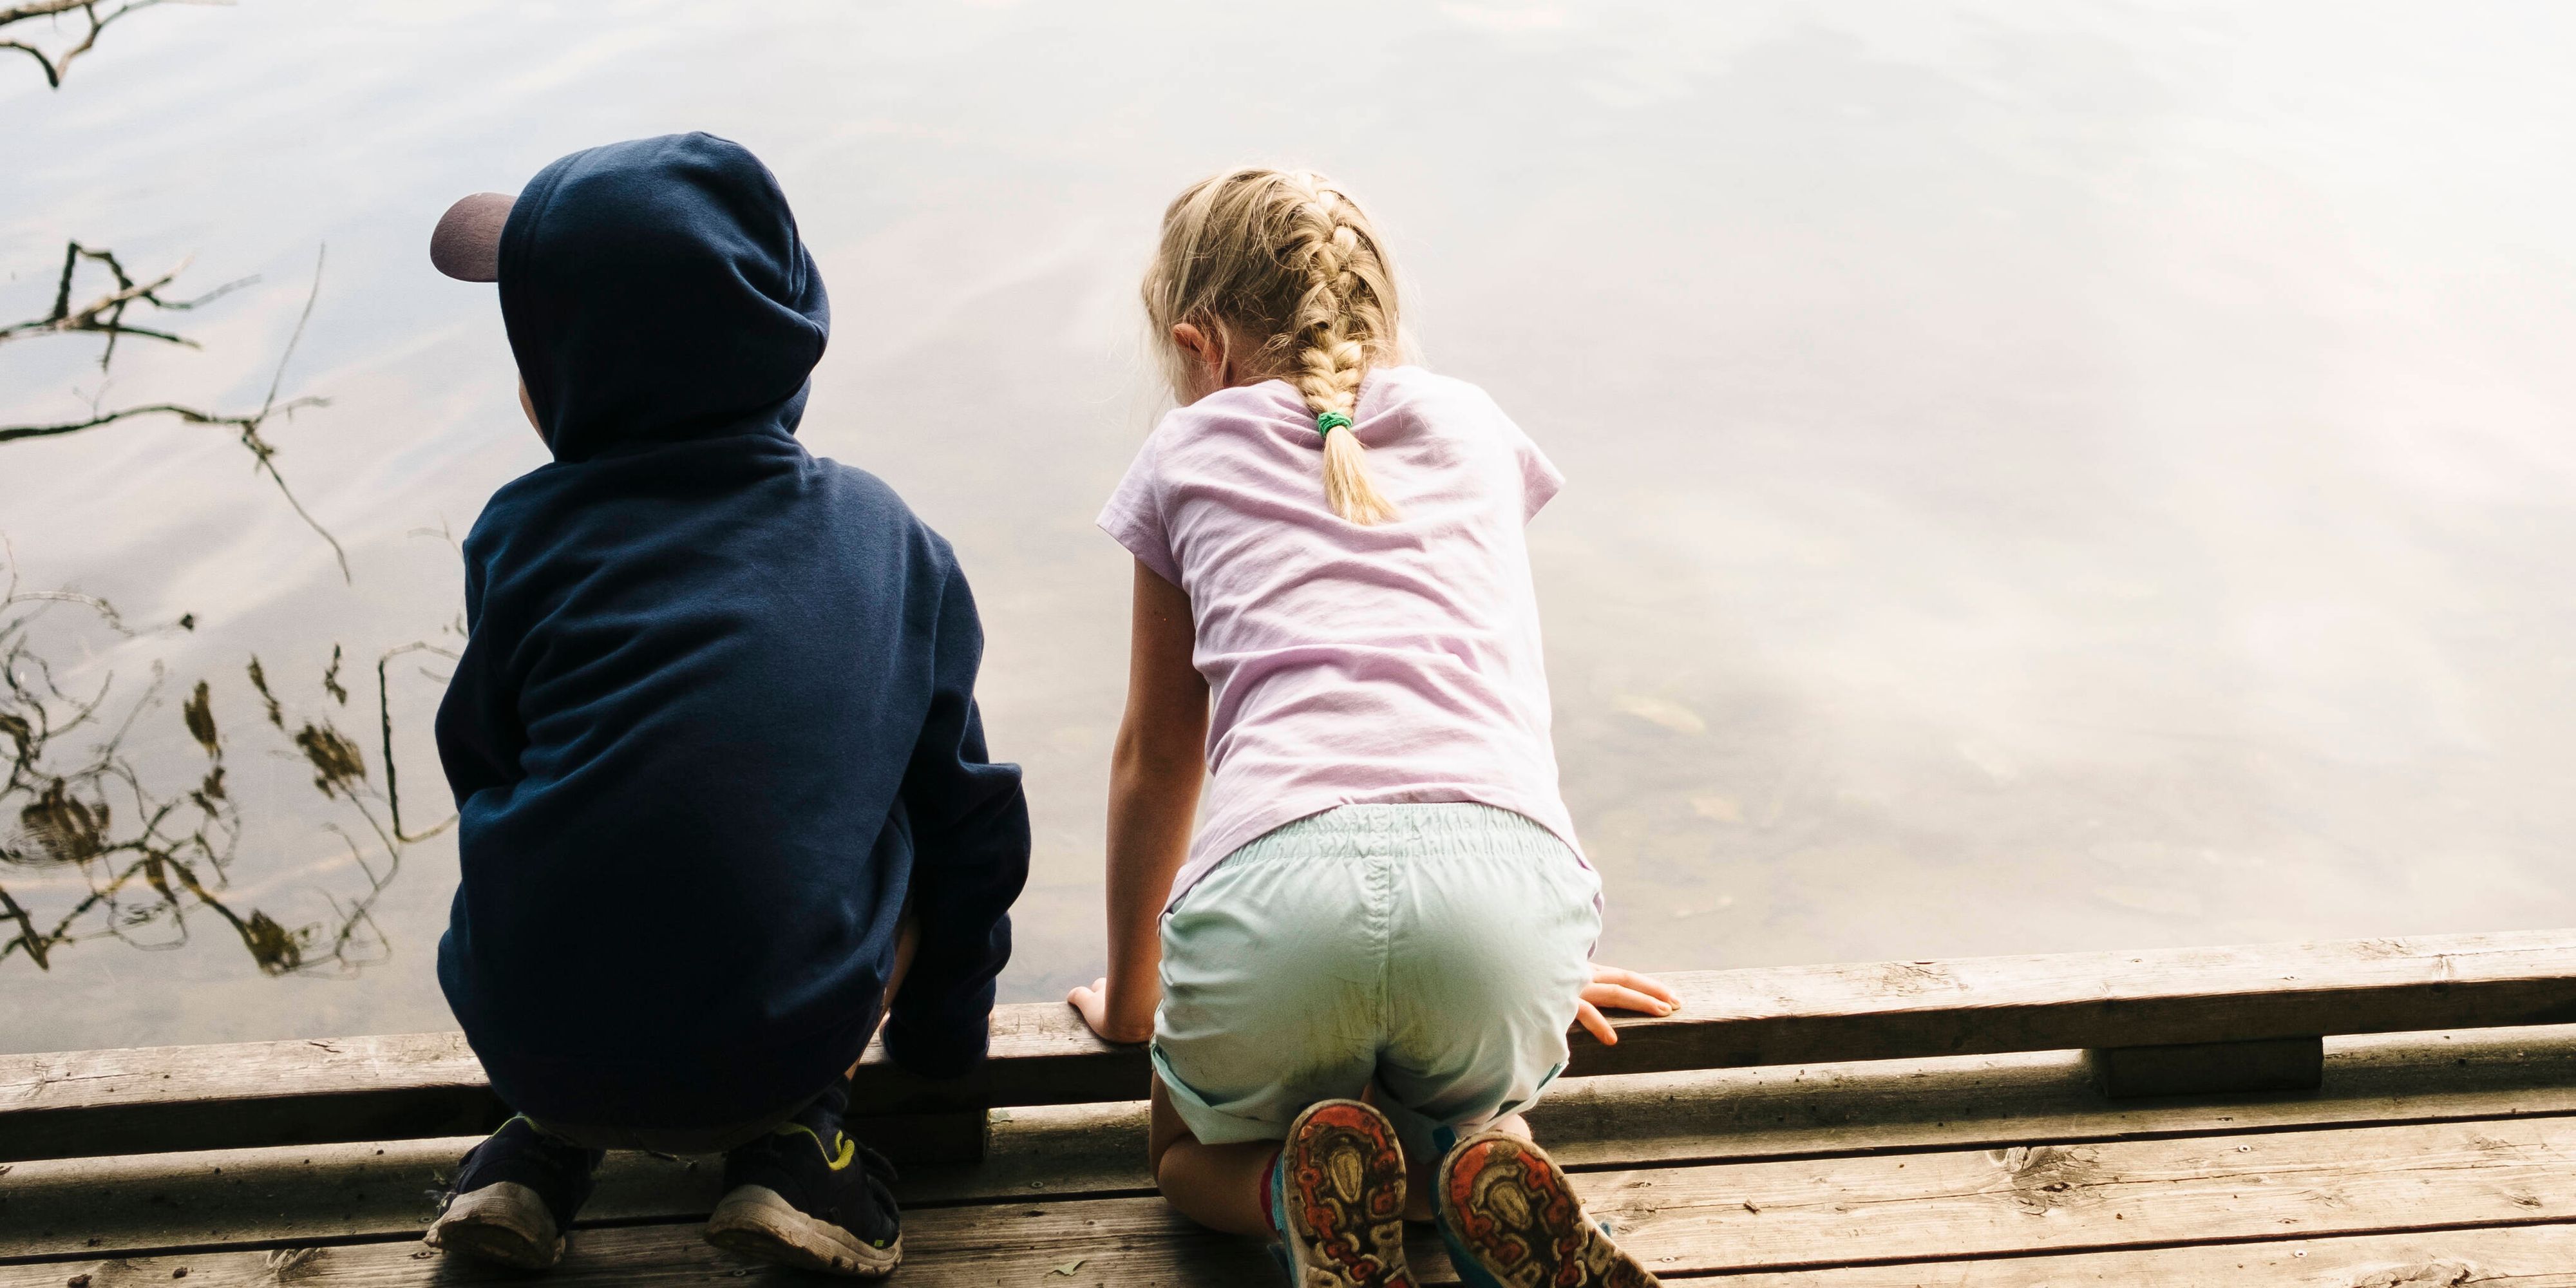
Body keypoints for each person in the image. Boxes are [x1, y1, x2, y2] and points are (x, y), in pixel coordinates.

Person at [417, 133, 1030, 1280]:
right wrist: (944, 1055)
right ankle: (804, 1142)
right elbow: (975, 831)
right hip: (777, 1035)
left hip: (526, 1027)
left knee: (564, 802)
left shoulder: (517, 534)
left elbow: (479, 767)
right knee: (893, 811)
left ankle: (540, 1143)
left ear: (574, 370)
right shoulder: (890, 540)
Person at [1068, 166, 1677, 1288]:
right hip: (1504, 885)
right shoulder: (1477, 424)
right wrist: (1530, 942)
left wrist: (1131, 1004)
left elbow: (1159, 760)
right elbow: (1482, 686)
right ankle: (1483, 1156)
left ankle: (1286, 1194)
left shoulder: (1184, 454)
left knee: (1180, 1149)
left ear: (1197, 344)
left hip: (1273, 903)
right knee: (1476, 1105)